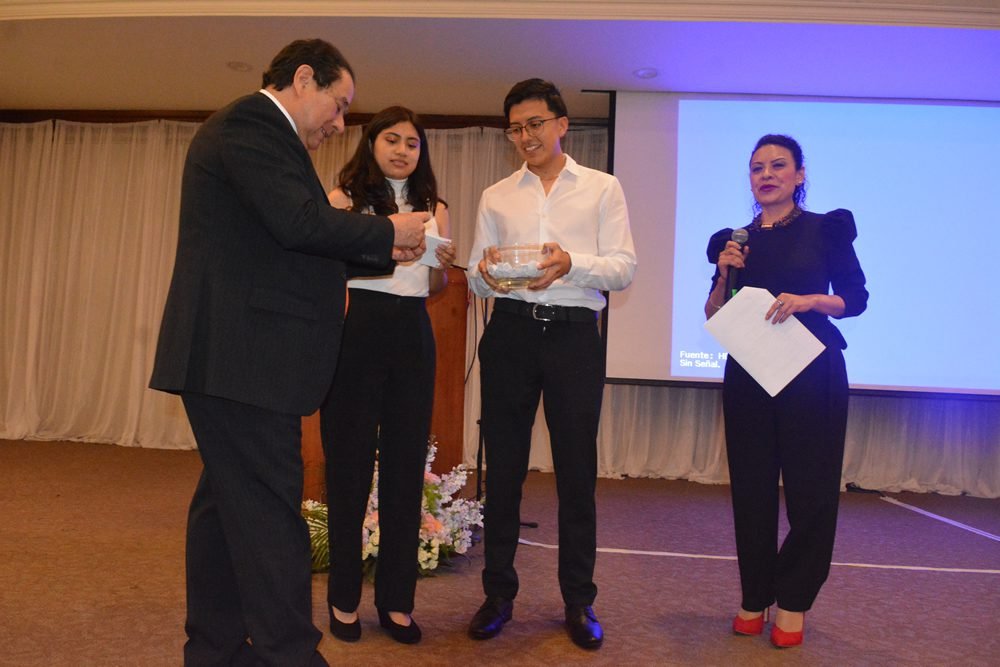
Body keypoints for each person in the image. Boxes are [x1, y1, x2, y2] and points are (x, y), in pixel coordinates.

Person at [149, 39, 428, 666]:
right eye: (339, 104)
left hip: (236, 359)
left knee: (225, 511)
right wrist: (387, 231)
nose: (341, 123)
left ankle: (215, 649)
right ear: (304, 78)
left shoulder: (263, 137)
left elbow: (290, 246)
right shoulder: (253, 123)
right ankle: (291, 655)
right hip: (243, 360)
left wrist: (386, 249)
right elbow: (299, 224)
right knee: (271, 515)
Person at [465, 78, 637, 650]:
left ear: (562, 124)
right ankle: (497, 595)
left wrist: (571, 264)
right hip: (511, 332)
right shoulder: (497, 195)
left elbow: (623, 267)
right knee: (504, 471)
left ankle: (579, 600)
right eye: (515, 128)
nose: (525, 136)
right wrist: (485, 272)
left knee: (576, 474)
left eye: (535, 124)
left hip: (573, 337)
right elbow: (474, 275)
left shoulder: (602, 188)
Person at [705, 134, 868, 648]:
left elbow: (856, 299)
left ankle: (793, 600)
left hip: (812, 370)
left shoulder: (826, 229)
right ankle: (754, 596)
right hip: (749, 370)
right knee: (751, 489)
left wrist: (810, 300)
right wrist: (723, 273)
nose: (767, 175)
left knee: (810, 490)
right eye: (757, 168)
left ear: (799, 175)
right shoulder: (735, 241)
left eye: (778, 166)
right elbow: (714, 311)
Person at [320, 106, 455, 645]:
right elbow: (327, 268)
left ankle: (397, 602)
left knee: (405, 470)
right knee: (348, 469)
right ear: (372, 144)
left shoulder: (435, 207)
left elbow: (436, 285)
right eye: (392, 140)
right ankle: (343, 598)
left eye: (412, 143)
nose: (402, 150)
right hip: (357, 332)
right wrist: (387, 249)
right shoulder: (342, 200)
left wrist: (437, 264)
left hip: (412, 335)